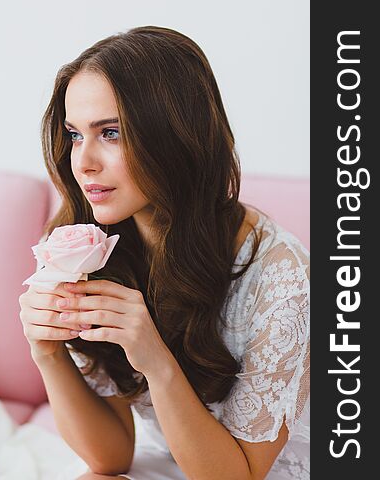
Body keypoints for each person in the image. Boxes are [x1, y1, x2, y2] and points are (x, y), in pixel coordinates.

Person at [18, 26, 310, 480]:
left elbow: (240, 477)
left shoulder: (280, 280)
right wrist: (47, 354)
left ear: (175, 136)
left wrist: (155, 360)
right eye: (75, 135)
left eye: (110, 133)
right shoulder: (98, 246)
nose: (83, 162)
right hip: (183, 458)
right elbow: (110, 457)